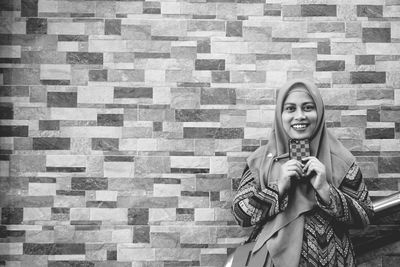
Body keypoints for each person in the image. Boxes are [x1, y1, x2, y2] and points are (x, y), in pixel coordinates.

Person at [231, 79, 374, 267]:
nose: (300, 116)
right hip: (270, 260)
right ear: (280, 114)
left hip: (333, 260)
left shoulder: (340, 159)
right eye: (290, 109)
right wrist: (278, 187)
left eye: (307, 108)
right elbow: (241, 215)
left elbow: (365, 216)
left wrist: (325, 190)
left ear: (319, 113)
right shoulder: (262, 160)